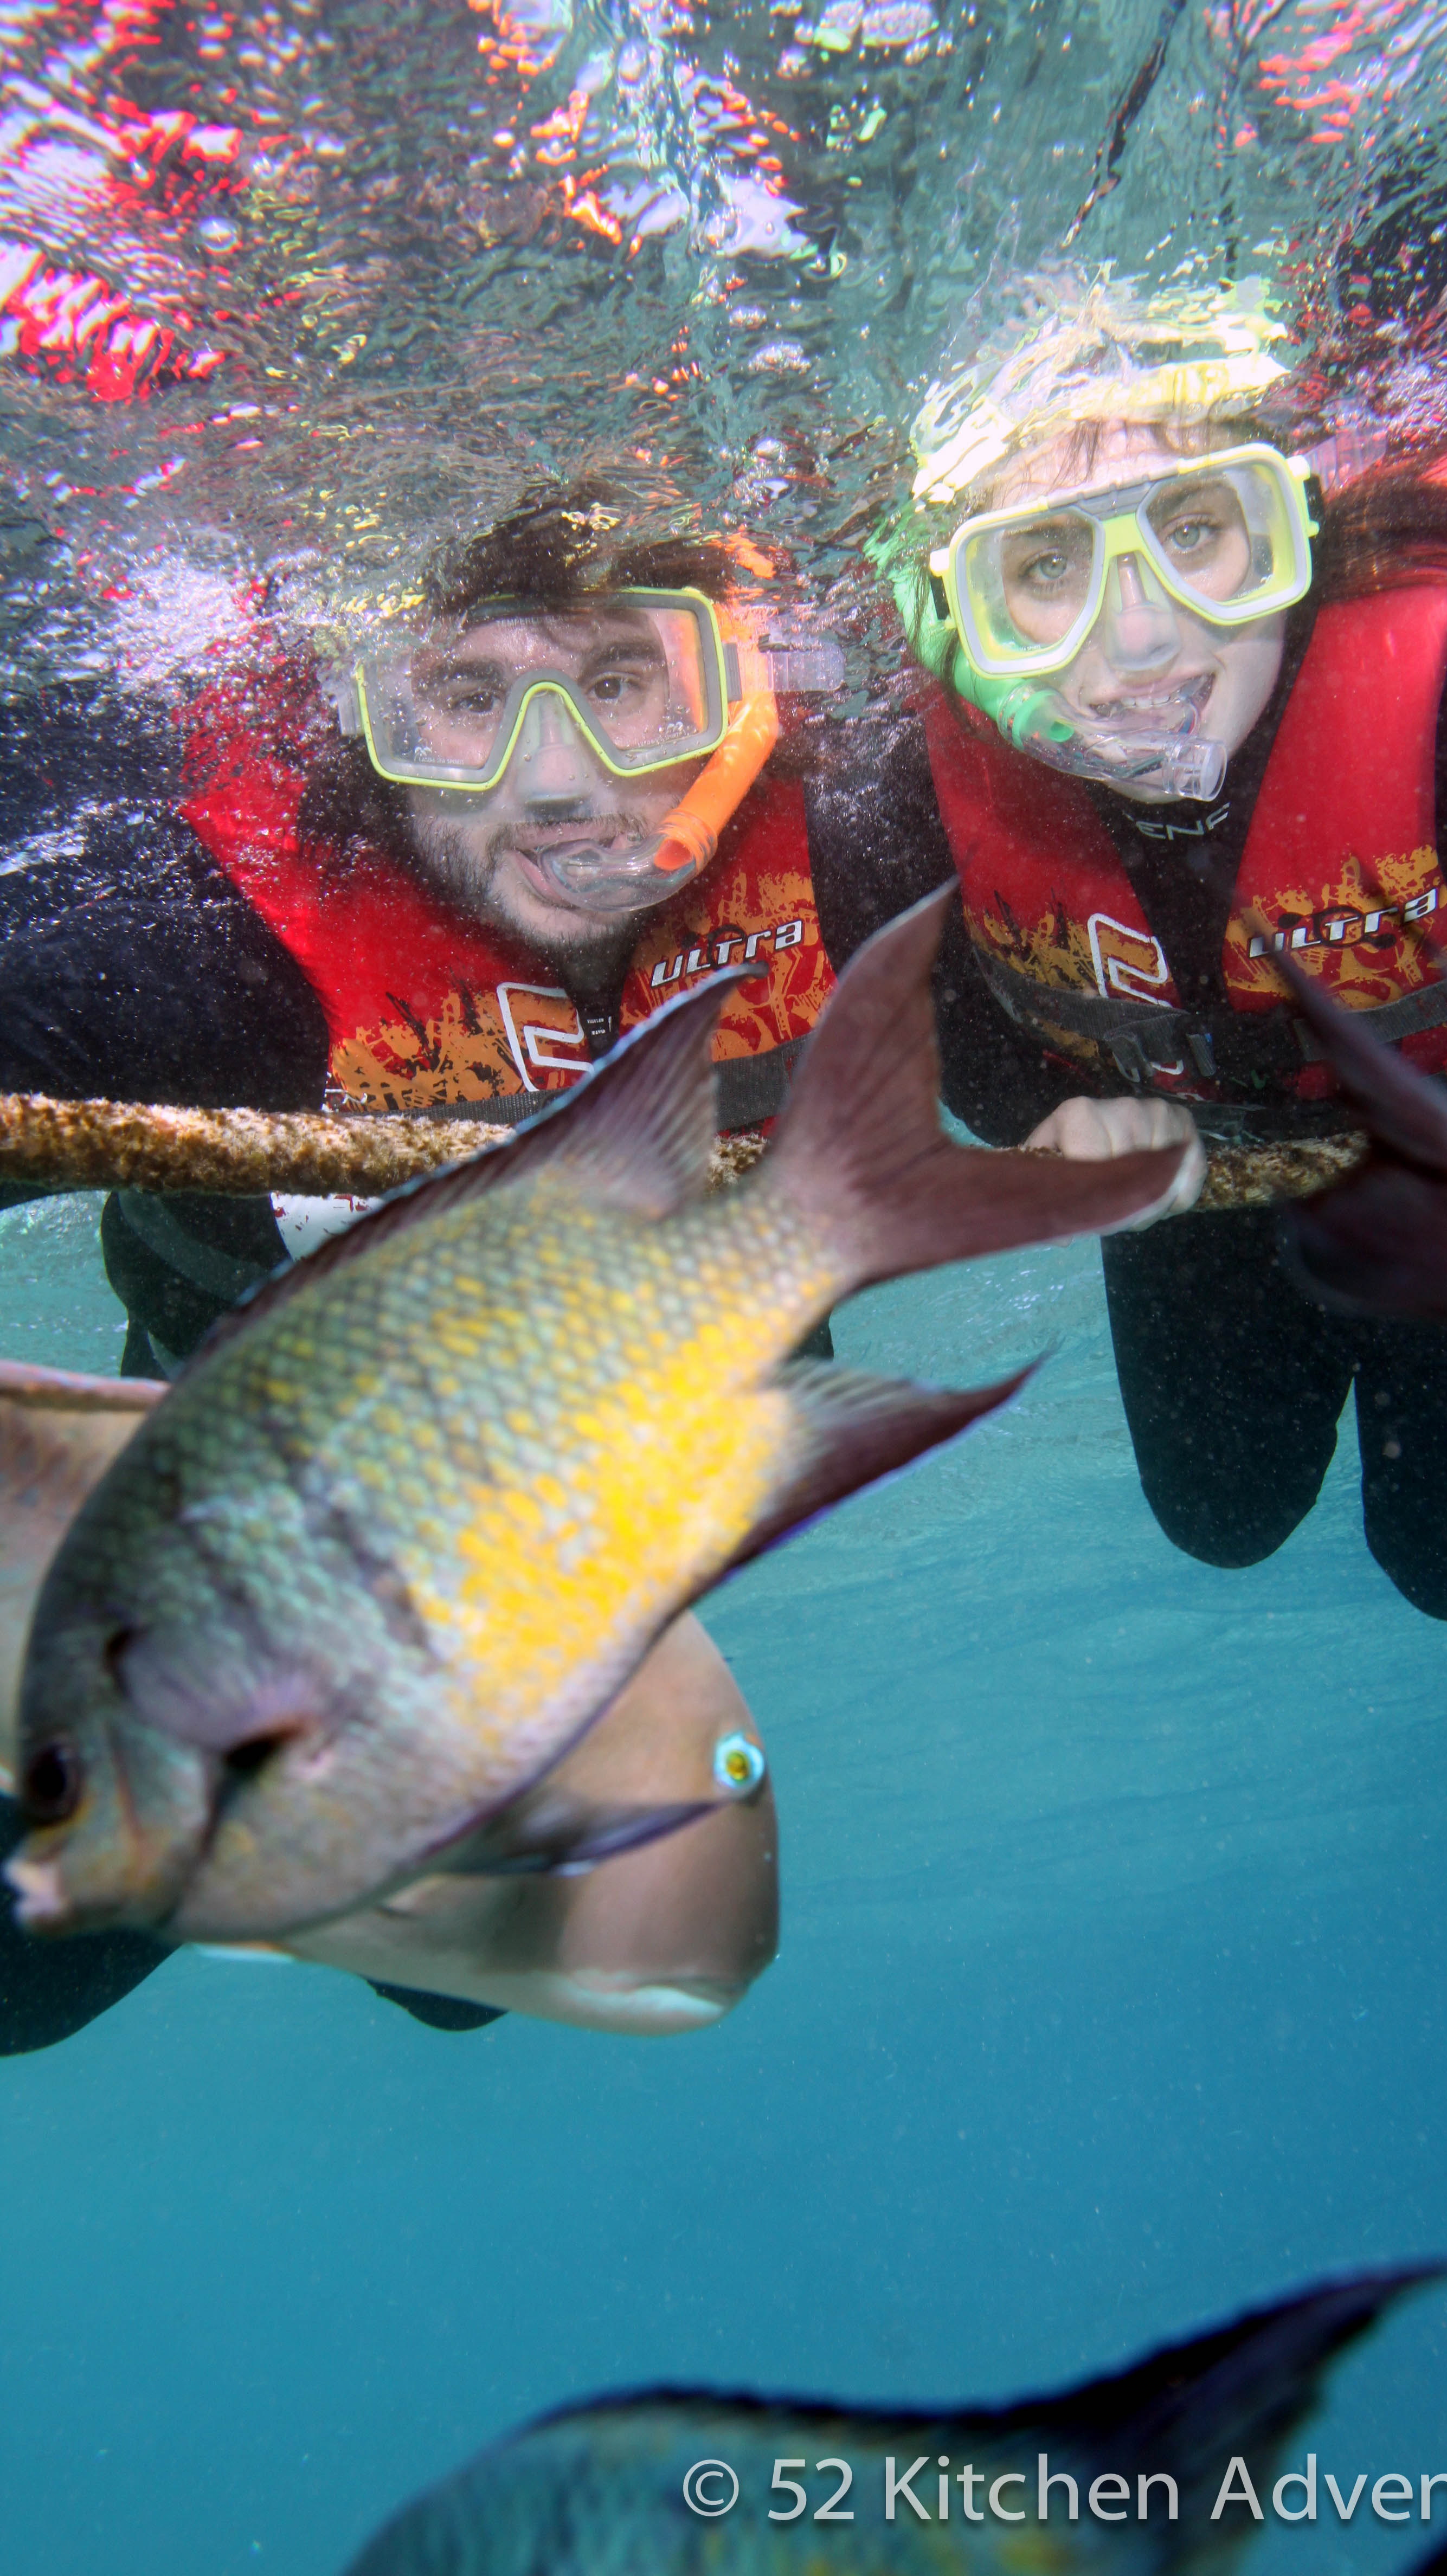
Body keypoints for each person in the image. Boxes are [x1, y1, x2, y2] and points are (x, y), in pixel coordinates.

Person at [0, 479, 843, 2046]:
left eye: (620, 683)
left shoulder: (847, 843)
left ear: (738, 691)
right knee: (21, 1985)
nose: (563, 788)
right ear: (352, 721)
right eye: (462, 699)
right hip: (225, 1512)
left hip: (575, 1520)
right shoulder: (212, 948)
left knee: (472, 1974)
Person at [808, 273, 1447, 1623]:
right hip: (1210, 1167)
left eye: (1195, 530)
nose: (1140, 639)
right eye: (1043, 569)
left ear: (1293, 521)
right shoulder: (904, 812)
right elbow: (976, 1027)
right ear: (957, 614)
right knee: (1219, 1515)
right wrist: (1057, 1116)